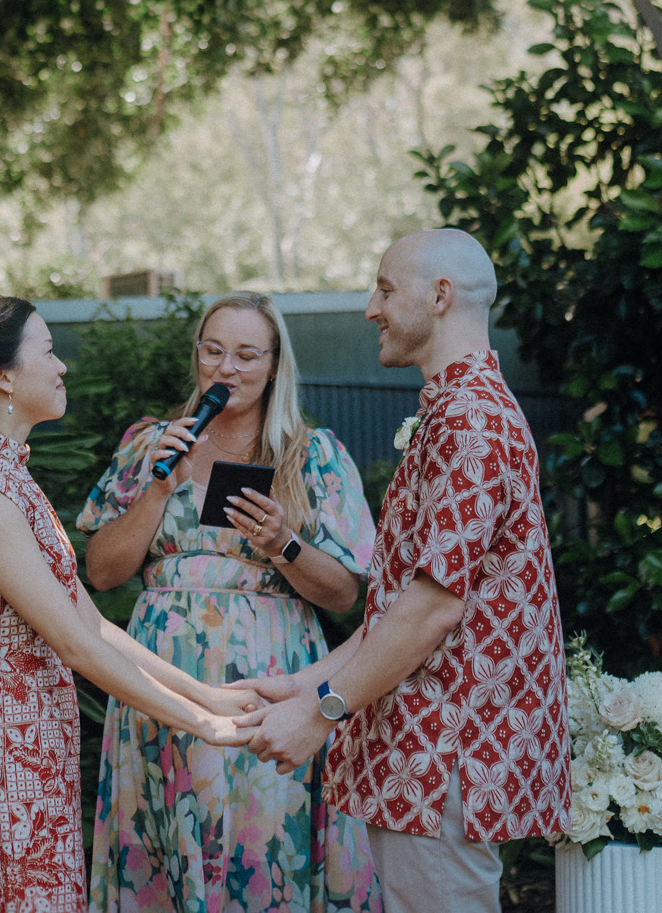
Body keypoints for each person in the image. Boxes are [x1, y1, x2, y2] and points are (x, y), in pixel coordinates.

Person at [234, 230, 568, 913]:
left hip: (446, 756)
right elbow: (401, 604)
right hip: (426, 750)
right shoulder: (452, 410)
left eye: (386, 288)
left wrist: (322, 713)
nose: (369, 307)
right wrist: (300, 685)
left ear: (440, 297)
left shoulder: (471, 422)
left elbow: (431, 609)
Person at [0, 294, 254, 913]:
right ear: (4, 375)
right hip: (7, 757)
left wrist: (209, 697)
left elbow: (92, 622)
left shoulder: (14, 478)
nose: (62, 365)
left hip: (41, 751)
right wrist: (203, 726)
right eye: (48, 350)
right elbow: (72, 644)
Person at [79, 292, 382, 913]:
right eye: (214, 351)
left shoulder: (311, 454)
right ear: (197, 356)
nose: (227, 368)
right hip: (161, 681)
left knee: (263, 849)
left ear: (274, 366)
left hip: (269, 682)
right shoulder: (148, 444)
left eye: (247, 355)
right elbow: (102, 573)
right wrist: (158, 491)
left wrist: (282, 544)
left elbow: (347, 596)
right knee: (161, 844)